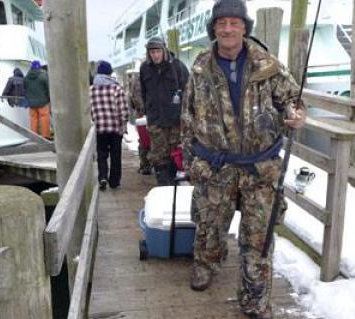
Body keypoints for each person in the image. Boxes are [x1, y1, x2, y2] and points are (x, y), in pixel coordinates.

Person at [180, 0, 306, 318]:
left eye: (234, 23)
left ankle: (254, 299)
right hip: (213, 166)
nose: (227, 29)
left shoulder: (269, 65)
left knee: (259, 237)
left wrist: (296, 114)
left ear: (245, 27)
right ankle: (206, 264)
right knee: (209, 227)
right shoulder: (199, 67)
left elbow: (291, 99)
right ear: (214, 29)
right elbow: (187, 118)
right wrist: (191, 161)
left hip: (260, 168)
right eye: (221, 23)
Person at [140, 36, 189, 185]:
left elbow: (188, 92)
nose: (155, 55)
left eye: (157, 51)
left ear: (164, 50)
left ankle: (174, 185)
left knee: (175, 154)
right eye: (152, 52)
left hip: (175, 120)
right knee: (159, 157)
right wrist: (148, 111)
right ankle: (163, 185)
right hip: (156, 120)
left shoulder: (178, 67)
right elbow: (143, 92)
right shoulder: (145, 69)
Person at [90, 60, 129, 190]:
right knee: (115, 155)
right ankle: (114, 181)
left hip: (100, 128)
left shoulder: (91, 90)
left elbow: (88, 110)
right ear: (109, 73)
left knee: (101, 154)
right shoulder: (116, 88)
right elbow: (123, 109)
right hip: (115, 128)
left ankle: (102, 177)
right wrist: (124, 123)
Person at [127, 70, 152, 175]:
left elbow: (132, 96)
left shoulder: (136, 79)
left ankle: (145, 165)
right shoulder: (152, 75)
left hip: (141, 114)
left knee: (143, 140)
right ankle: (153, 163)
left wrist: (136, 108)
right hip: (153, 113)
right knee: (152, 139)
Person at [23, 60, 51, 139]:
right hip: (43, 101)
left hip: (31, 103)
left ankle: (33, 136)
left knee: (33, 119)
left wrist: (28, 99)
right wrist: (48, 99)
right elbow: (48, 88)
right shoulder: (43, 75)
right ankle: (45, 136)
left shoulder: (26, 77)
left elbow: (24, 88)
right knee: (44, 118)